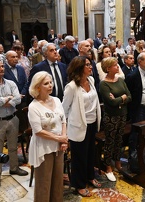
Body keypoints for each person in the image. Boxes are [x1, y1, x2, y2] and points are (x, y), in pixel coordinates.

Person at [62, 56, 102, 197]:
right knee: (79, 157)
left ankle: (90, 176)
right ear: (79, 68)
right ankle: (78, 185)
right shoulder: (72, 86)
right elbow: (64, 109)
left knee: (91, 153)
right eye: (87, 65)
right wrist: (64, 130)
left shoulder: (91, 80)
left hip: (91, 123)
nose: (91, 67)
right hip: (78, 125)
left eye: (90, 64)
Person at [28, 71, 68, 202]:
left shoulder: (56, 100)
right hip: (43, 147)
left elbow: (63, 120)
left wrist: (64, 138)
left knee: (58, 180)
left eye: (51, 82)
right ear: (38, 87)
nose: (50, 85)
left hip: (58, 146)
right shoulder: (33, 106)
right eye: (46, 83)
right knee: (44, 182)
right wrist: (59, 139)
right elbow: (38, 131)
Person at [99, 57, 131, 180]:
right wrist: (122, 98)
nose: (118, 66)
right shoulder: (104, 83)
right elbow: (110, 102)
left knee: (119, 140)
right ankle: (108, 166)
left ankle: (117, 162)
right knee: (110, 141)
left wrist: (120, 99)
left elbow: (129, 96)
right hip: (111, 117)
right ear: (108, 68)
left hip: (123, 114)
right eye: (115, 65)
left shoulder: (120, 80)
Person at [125, 52, 145, 173]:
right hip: (138, 109)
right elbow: (129, 94)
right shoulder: (132, 76)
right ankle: (133, 157)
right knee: (136, 134)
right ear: (140, 62)